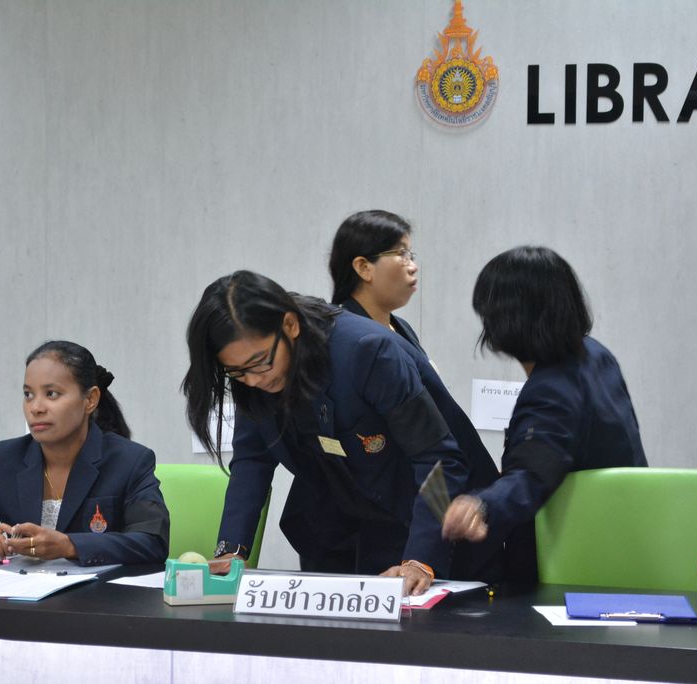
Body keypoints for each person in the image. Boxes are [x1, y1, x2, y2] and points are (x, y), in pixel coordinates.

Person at [182, 270, 478, 595]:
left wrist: (421, 559)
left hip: (428, 525)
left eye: (260, 362)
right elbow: (252, 460)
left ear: (290, 325)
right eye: (237, 372)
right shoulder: (255, 380)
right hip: (338, 528)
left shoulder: (368, 352)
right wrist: (232, 549)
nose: (253, 380)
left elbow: (437, 459)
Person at [441, 246, 647, 582]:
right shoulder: (596, 355)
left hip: (569, 560)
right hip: (622, 538)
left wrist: (481, 505)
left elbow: (534, 472)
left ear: (508, 319)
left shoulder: (550, 389)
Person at [329, 210, 502, 579]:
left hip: (432, 503)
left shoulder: (399, 327)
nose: (413, 265)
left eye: (412, 254)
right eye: (401, 254)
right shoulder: (350, 342)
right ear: (363, 267)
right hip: (391, 517)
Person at [0, 341, 169, 565]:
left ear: (90, 400)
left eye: (51, 394)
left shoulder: (129, 461)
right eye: (28, 394)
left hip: (98, 602)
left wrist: (69, 545)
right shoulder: (0, 460)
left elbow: (152, 542)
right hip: (21, 599)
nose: (36, 408)